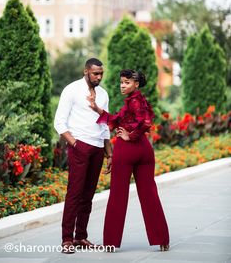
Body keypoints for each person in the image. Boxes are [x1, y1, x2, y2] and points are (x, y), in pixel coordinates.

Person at [87, 69, 170, 251]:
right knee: (149, 194)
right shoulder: (137, 101)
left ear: (136, 84)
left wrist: (129, 137)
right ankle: (162, 239)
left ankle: (110, 242)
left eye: (127, 82)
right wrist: (96, 108)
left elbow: (146, 122)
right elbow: (117, 119)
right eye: (121, 82)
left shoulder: (134, 102)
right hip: (145, 151)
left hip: (127, 151)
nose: (123, 86)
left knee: (118, 195)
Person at [54, 58, 112, 254]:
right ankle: (67, 239)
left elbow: (104, 125)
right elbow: (59, 123)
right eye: (95, 73)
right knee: (75, 193)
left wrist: (108, 153)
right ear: (86, 71)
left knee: (88, 195)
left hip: (97, 149)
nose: (99, 77)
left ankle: (81, 237)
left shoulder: (103, 94)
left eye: (101, 73)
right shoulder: (71, 90)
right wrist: (75, 144)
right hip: (80, 146)